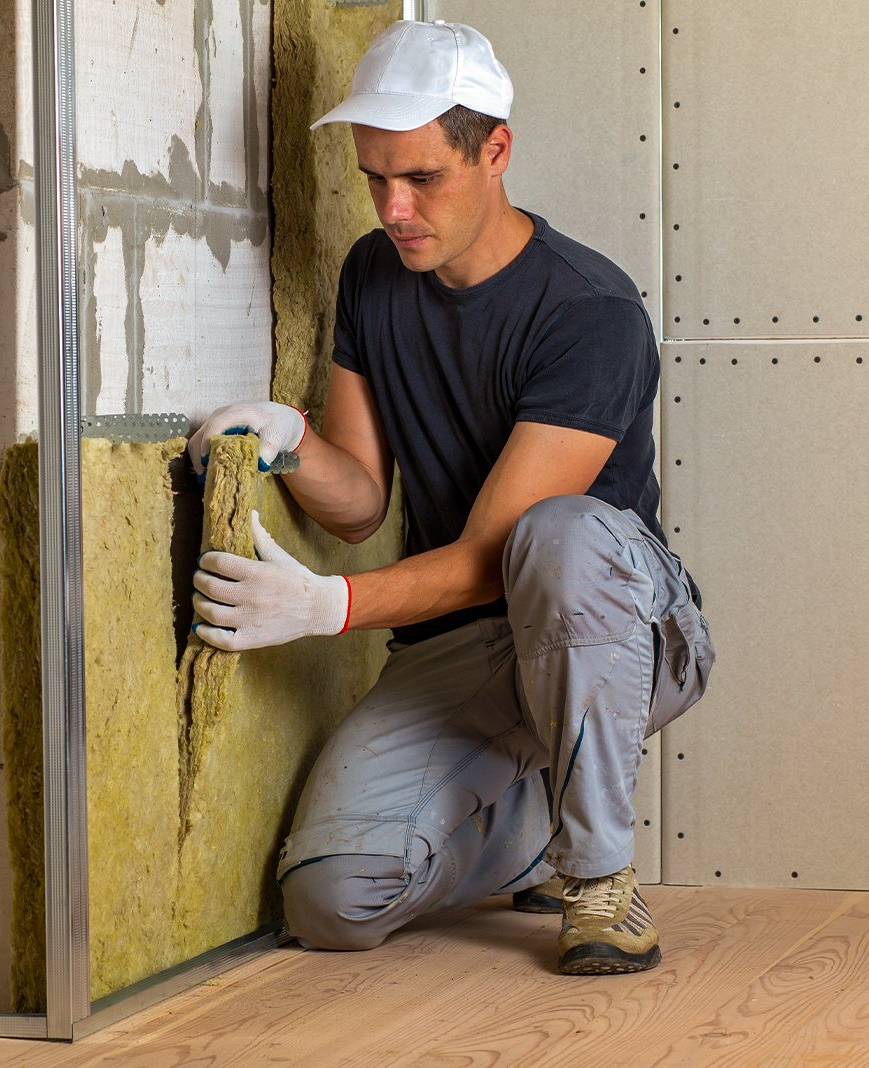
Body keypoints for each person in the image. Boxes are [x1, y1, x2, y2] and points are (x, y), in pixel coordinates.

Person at [187, 19, 714, 975]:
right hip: (467, 640)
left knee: (555, 537)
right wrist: (291, 443)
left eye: (422, 177)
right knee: (331, 900)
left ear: (496, 150)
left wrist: (325, 605)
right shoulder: (373, 276)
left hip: (618, 623)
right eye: (374, 177)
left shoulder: (590, 312)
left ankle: (597, 883)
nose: (392, 207)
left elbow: (491, 558)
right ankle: (537, 826)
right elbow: (358, 505)